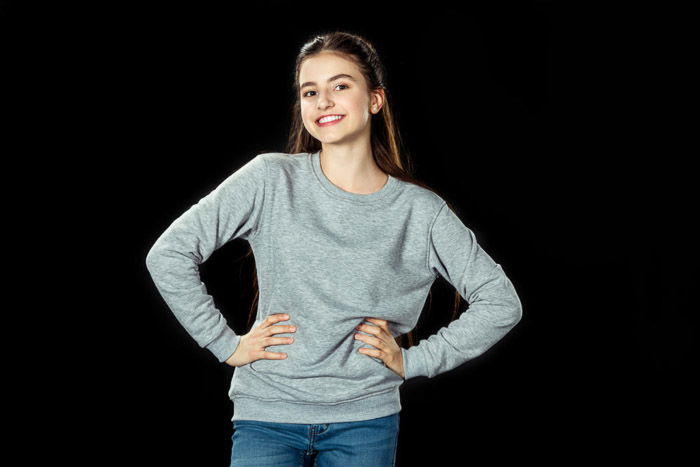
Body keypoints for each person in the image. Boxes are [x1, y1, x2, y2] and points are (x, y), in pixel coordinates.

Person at [145, 30, 523, 467]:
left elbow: (500, 303)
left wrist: (415, 360)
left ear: (375, 100)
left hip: (366, 421)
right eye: (311, 91)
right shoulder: (270, 179)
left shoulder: (421, 212)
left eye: (340, 85)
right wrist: (226, 344)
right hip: (266, 414)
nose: (323, 101)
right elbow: (168, 254)